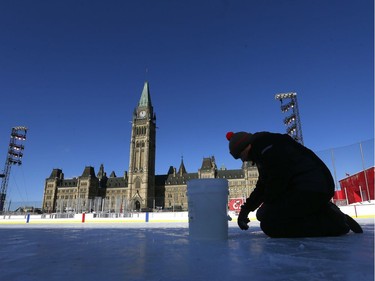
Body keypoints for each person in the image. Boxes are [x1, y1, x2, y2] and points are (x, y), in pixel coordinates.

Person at [226, 131, 363, 238]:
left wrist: (268, 204)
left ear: (245, 147)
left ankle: (335, 223)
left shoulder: (266, 147)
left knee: (270, 224)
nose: (243, 160)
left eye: (239, 156)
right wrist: (246, 209)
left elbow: (277, 179)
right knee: (264, 214)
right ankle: (324, 210)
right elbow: (263, 185)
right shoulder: (263, 148)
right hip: (310, 187)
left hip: (312, 188)